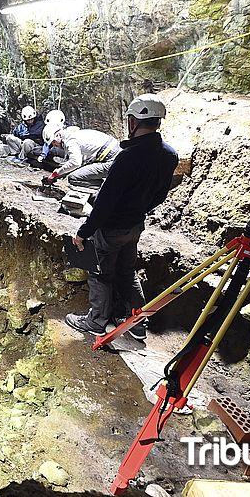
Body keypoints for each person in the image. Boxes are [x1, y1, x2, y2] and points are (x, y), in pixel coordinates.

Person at [65, 94, 179, 340]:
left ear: (132, 121)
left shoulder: (127, 158)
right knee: (127, 272)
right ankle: (136, 324)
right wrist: (138, 210)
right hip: (135, 224)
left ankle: (96, 322)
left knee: (100, 273)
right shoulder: (169, 154)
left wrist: (84, 231)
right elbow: (161, 194)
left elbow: (106, 201)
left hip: (111, 227)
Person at [41, 123, 121, 189]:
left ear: (58, 135)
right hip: (114, 155)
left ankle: (104, 191)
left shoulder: (71, 141)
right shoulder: (73, 134)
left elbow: (75, 163)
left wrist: (57, 173)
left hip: (112, 160)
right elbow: (81, 163)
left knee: (73, 178)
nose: (54, 145)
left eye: (54, 142)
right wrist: (58, 174)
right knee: (81, 172)